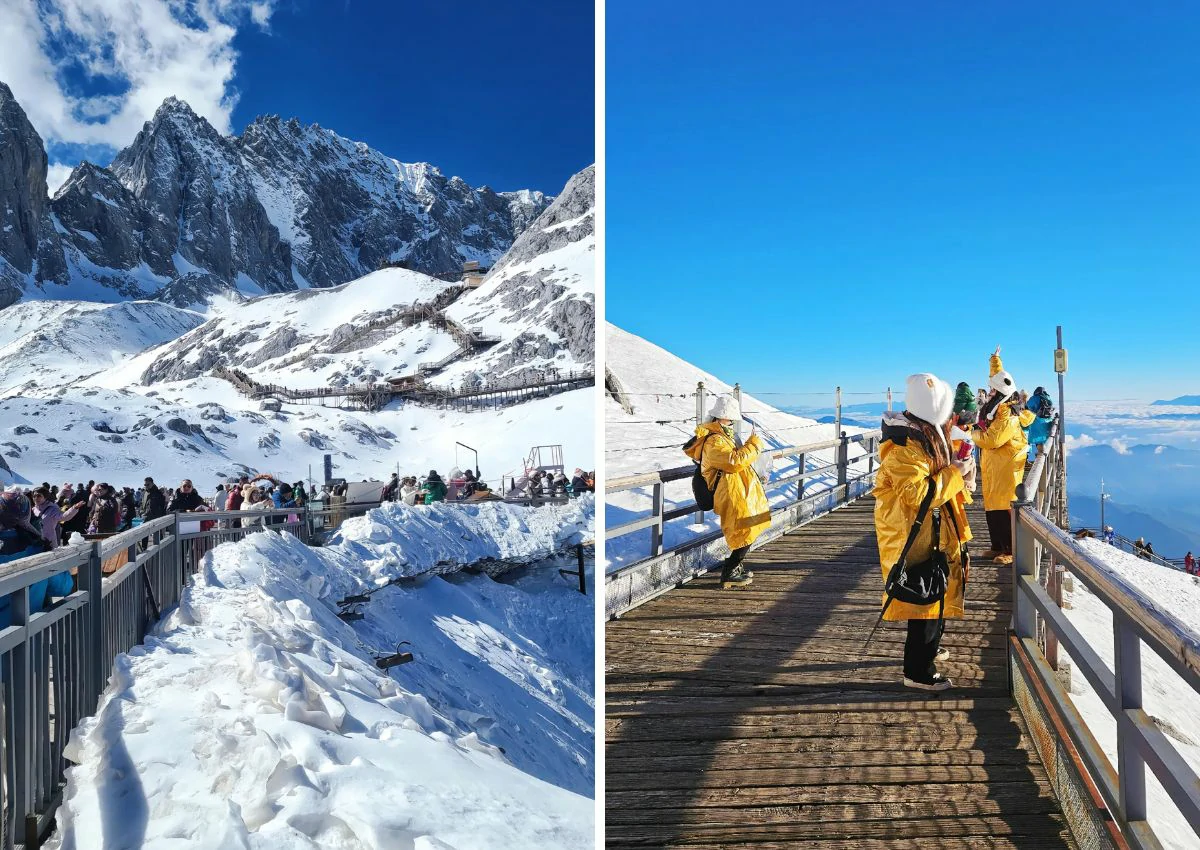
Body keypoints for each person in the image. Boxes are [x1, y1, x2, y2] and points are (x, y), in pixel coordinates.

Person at [873, 374, 972, 692]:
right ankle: (917, 671)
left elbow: (933, 481)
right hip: (913, 536)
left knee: (935, 590)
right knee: (925, 596)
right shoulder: (905, 448)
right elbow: (917, 495)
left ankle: (930, 649)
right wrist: (955, 473)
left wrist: (959, 475)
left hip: (931, 532)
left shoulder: (919, 438)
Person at [683, 394, 769, 589]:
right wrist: (754, 444)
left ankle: (735, 567)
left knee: (750, 526)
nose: (731, 422)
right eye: (729, 418)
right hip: (729, 493)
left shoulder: (723, 437)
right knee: (745, 528)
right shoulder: (715, 441)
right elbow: (733, 462)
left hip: (737, 491)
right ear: (720, 418)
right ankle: (730, 570)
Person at [972, 346, 1036, 565]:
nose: (989, 393)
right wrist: (995, 360)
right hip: (995, 465)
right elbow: (997, 378)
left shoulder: (1007, 414)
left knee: (1005, 507)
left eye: (992, 391)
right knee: (992, 506)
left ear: (999, 393)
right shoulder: (1000, 407)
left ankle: (1011, 549)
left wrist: (972, 433)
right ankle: (997, 546)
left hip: (1005, 467)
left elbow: (991, 440)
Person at [1025, 386, 1054, 462]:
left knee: (1037, 439)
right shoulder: (1048, 397)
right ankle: (1044, 456)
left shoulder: (1035, 398)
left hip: (1038, 421)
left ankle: (1041, 456)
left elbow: (1028, 406)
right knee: (1043, 439)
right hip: (1048, 421)